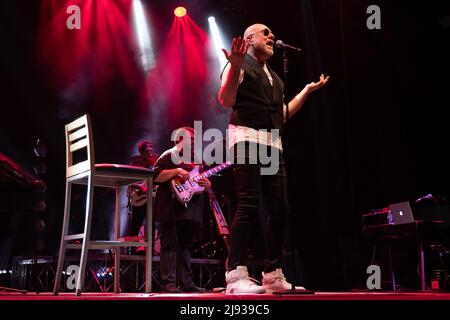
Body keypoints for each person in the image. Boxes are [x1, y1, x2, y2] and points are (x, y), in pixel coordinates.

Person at [218, 23, 330, 294]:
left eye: (272, 33)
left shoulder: (276, 78)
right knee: (248, 203)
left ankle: (272, 274)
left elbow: (282, 115)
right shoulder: (239, 64)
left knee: (280, 208)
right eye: (265, 33)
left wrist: (306, 91)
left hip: (272, 143)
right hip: (246, 137)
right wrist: (234, 66)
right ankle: (235, 275)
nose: (272, 36)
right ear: (248, 39)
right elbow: (225, 99)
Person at [153, 127, 211, 293]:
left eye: (194, 139)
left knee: (186, 246)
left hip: (191, 210)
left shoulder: (198, 159)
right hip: (171, 208)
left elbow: (203, 180)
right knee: (169, 244)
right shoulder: (169, 155)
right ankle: (168, 283)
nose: (193, 142)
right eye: (190, 139)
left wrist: (208, 185)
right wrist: (176, 171)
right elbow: (154, 176)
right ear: (179, 139)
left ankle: (186, 282)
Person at [128, 140, 159, 252]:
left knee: (151, 224)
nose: (150, 150)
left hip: (152, 198)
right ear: (141, 152)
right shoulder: (136, 165)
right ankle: (132, 250)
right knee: (135, 225)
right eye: (147, 149)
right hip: (139, 198)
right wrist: (141, 188)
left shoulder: (156, 165)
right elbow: (129, 182)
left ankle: (150, 250)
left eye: (151, 148)